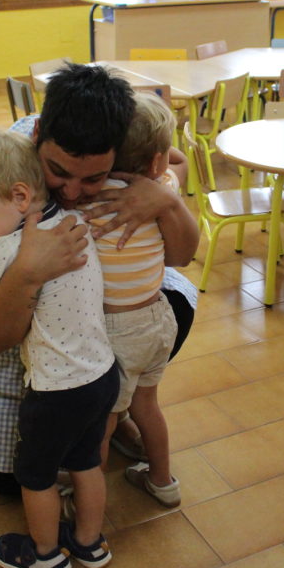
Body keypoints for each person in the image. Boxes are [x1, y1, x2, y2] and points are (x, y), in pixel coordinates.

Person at [0, 63, 198, 496]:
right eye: (58, 172)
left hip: (72, 318)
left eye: (94, 178)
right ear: (37, 135)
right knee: (12, 480)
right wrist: (30, 270)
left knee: (167, 307)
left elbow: (176, 170)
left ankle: (112, 409)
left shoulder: (121, 150)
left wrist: (163, 197)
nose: (70, 192)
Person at [0, 129, 117, 568]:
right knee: (86, 460)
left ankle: (44, 554)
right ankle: (90, 543)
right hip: (102, 375)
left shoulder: (8, 246)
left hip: (55, 390)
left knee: (35, 475)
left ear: (20, 196)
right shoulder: (74, 223)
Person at [83, 92, 181, 507]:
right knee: (148, 407)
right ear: (157, 161)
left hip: (114, 330)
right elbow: (175, 162)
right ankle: (163, 482)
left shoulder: (90, 198)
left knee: (101, 425)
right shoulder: (164, 188)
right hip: (158, 317)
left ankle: (93, 504)